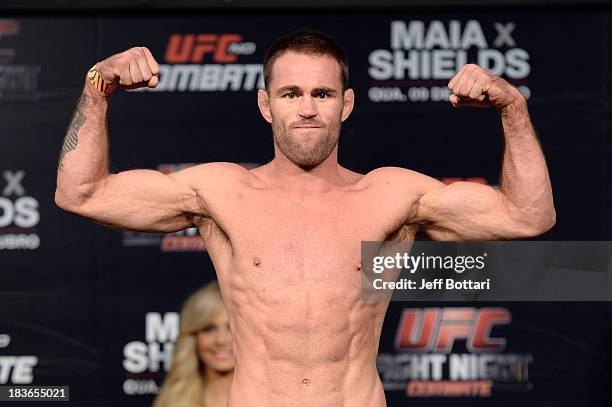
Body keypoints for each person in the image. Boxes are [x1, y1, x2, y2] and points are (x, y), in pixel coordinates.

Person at [55, 29, 555, 406]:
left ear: (347, 104)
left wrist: (513, 109)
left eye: (323, 94)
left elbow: (527, 216)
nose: (308, 109)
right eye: (291, 94)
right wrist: (98, 86)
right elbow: (83, 194)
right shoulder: (222, 191)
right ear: (265, 105)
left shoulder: (392, 194)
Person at [153, 281, 233, 407]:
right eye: (208, 329)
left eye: (232, 329)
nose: (221, 340)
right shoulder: (172, 401)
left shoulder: (270, 399)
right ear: (193, 337)